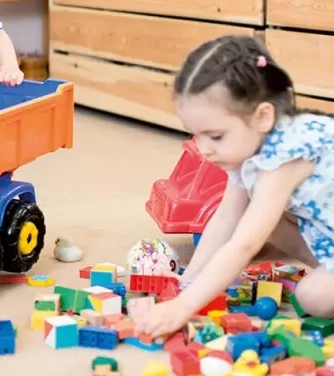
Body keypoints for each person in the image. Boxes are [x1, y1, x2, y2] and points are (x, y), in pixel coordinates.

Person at [137, 35, 334, 338]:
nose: (204, 149)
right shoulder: (249, 145)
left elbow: (244, 244)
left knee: (313, 298)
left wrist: (184, 307)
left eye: (215, 136)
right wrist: (187, 283)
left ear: (263, 117)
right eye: (196, 135)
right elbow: (226, 219)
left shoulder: (284, 159)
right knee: (254, 215)